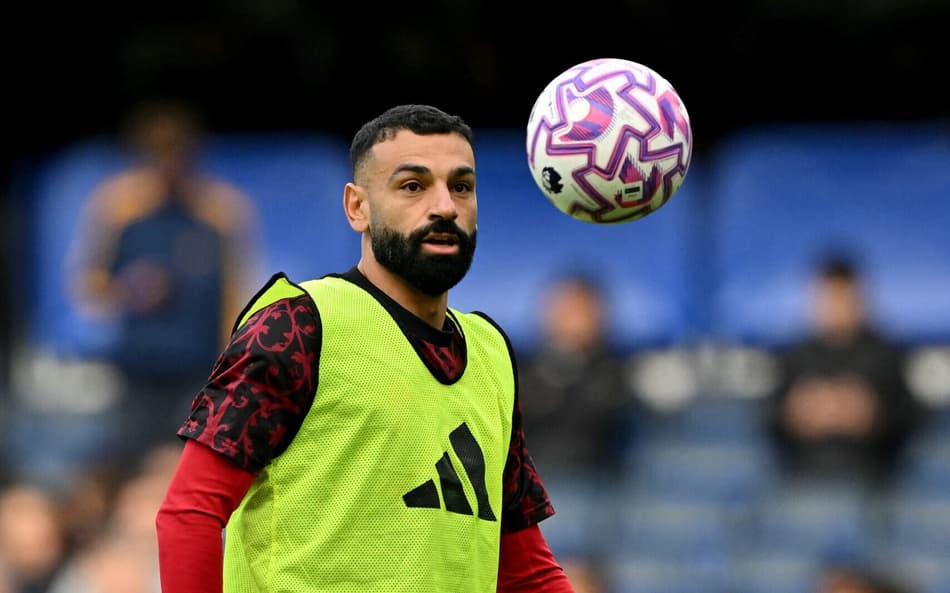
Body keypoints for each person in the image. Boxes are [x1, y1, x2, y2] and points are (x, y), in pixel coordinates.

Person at [155, 104, 576, 592]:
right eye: (413, 186)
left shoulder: (492, 352)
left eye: (461, 186)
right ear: (358, 207)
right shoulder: (298, 326)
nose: (444, 206)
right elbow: (190, 512)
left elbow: (525, 569)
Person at [66, 98, 263, 462]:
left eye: (177, 153)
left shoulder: (223, 211)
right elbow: (88, 287)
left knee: (191, 466)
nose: (168, 164)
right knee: (130, 460)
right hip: (137, 370)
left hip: (200, 370)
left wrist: (231, 368)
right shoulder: (117, 206)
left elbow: (238, 295)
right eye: (158, 153)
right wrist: (130, 288)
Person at [768, 254, 922, 486]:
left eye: (842, 296)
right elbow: (770, 420)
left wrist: (872, 414)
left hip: (872, 481)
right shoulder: (794, 356)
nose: (835, 306)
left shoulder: (886, 355)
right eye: (828, 297)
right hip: (804, 479)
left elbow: (909, 419)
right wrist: (797, 414)